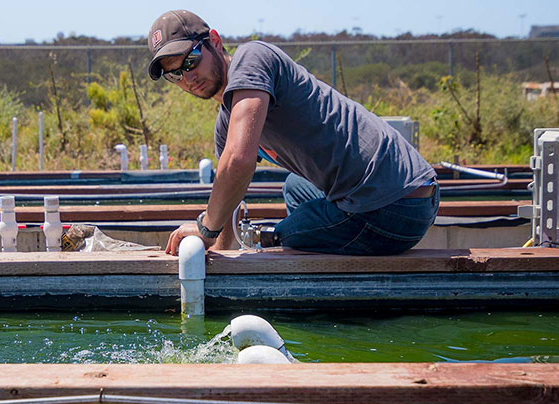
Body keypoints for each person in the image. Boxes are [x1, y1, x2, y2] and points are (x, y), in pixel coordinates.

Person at [148, 10, 439, 256]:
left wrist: (203, 229)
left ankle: (301, 247)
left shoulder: (252, 57)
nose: (187, 77)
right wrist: (217, 254)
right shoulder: (226, 123)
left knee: (287, 234)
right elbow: (228, 200)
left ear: (214, 41)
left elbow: (238, 161)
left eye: (191, 60)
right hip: (397, 195)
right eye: (175, 74)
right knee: (295, 187)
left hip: (397, 205)